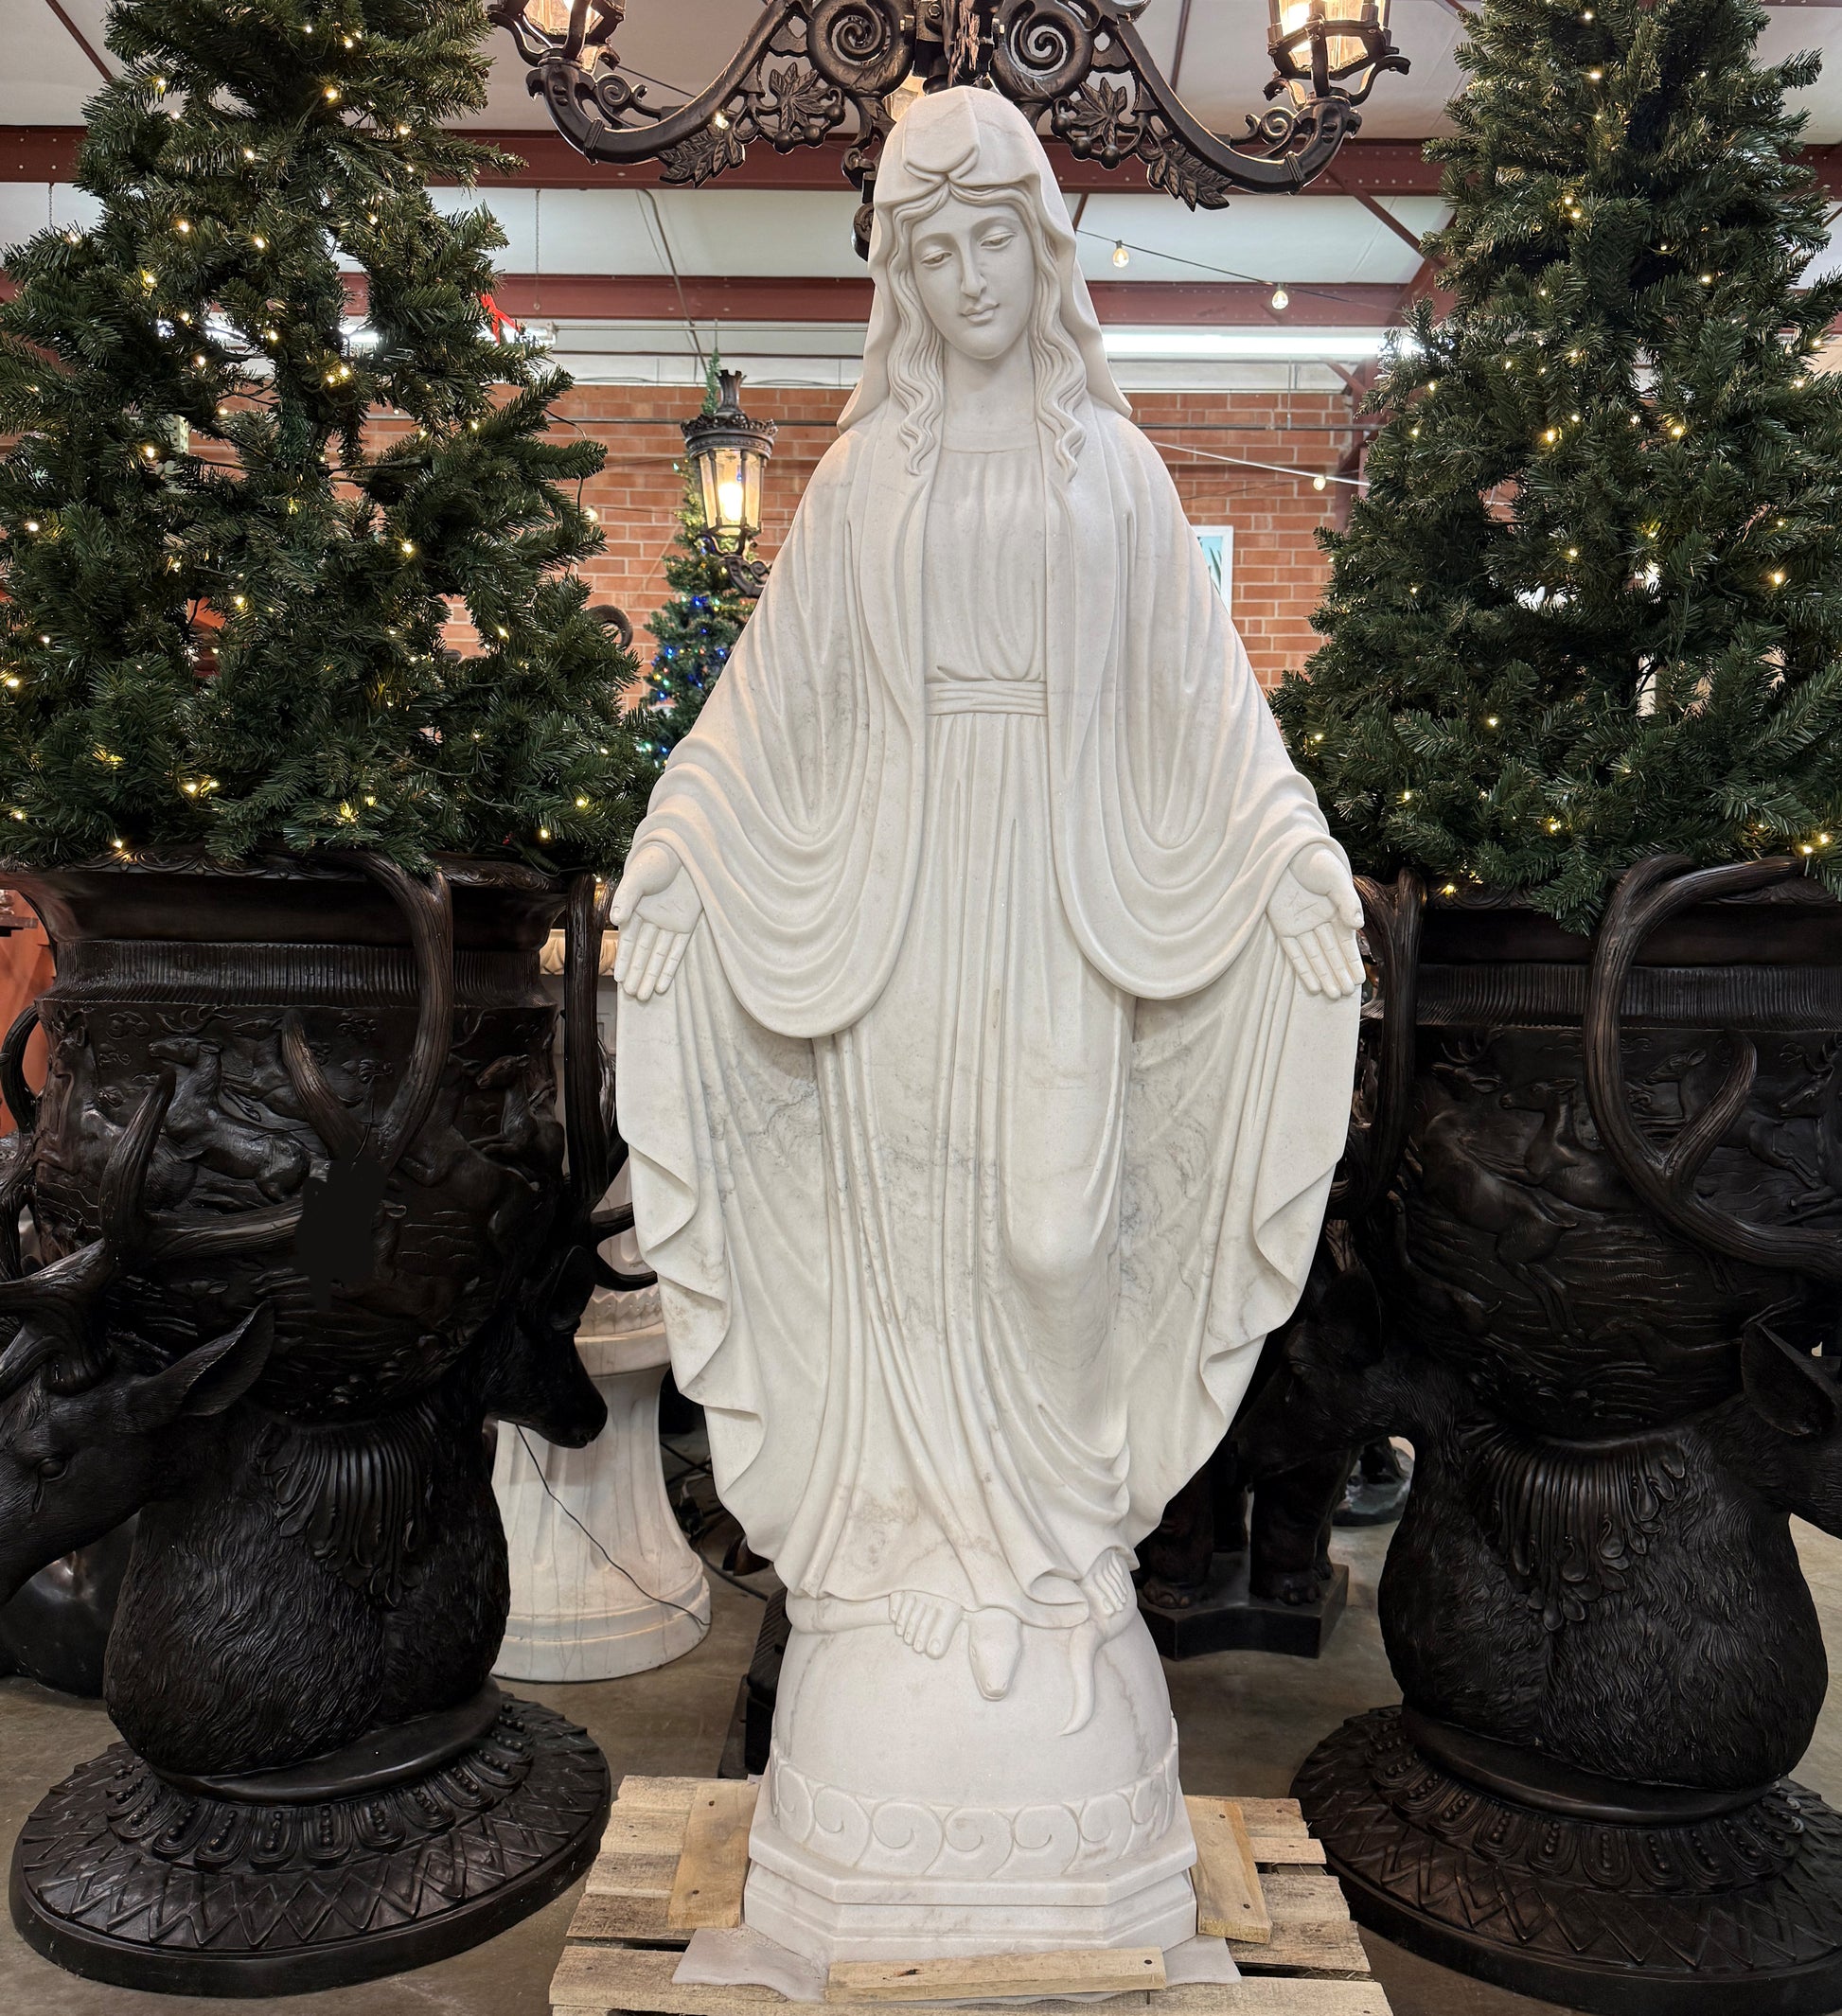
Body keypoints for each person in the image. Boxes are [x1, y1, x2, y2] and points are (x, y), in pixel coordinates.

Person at [611, 82, 1362, 1956]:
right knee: (918, 1241)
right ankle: (910, 1578)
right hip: (892, 920)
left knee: (1050, 1235)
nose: (960, 282)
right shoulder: (860, 482)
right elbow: (762, 719)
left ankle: (1048, 1561)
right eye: (925, 251)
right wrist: (685, 851)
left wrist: (1285, 856)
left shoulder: (1119, 475)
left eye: (988, 245)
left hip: (1060, 904)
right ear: (900, 276)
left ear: (1044, 253)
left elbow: (1206, 713)